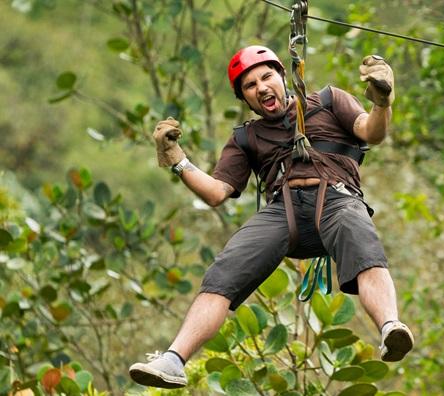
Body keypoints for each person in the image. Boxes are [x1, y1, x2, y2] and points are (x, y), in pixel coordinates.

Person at [128, 45, 413, 389]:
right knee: (224, 271)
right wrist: (178, 160)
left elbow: (372, 132)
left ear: (283, 76)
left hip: (336, 199)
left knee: (361, 242)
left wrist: (382, 102)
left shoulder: (328, 101)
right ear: (245, 98)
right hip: (284, 212)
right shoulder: (246, 137)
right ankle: (173, 360)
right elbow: (217, 192)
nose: (262, 87)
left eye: (266, 77)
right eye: (250, 85)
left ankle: (389, 327)